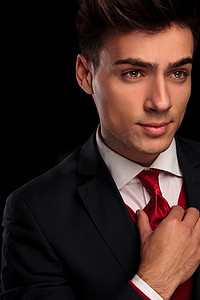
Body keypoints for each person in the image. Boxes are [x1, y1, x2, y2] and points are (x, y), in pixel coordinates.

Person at [1, 0, 200, 299]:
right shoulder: (35, 213)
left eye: (177, 73)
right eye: (134, 73)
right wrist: (153, 282)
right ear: (84, 74)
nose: (161, 102)